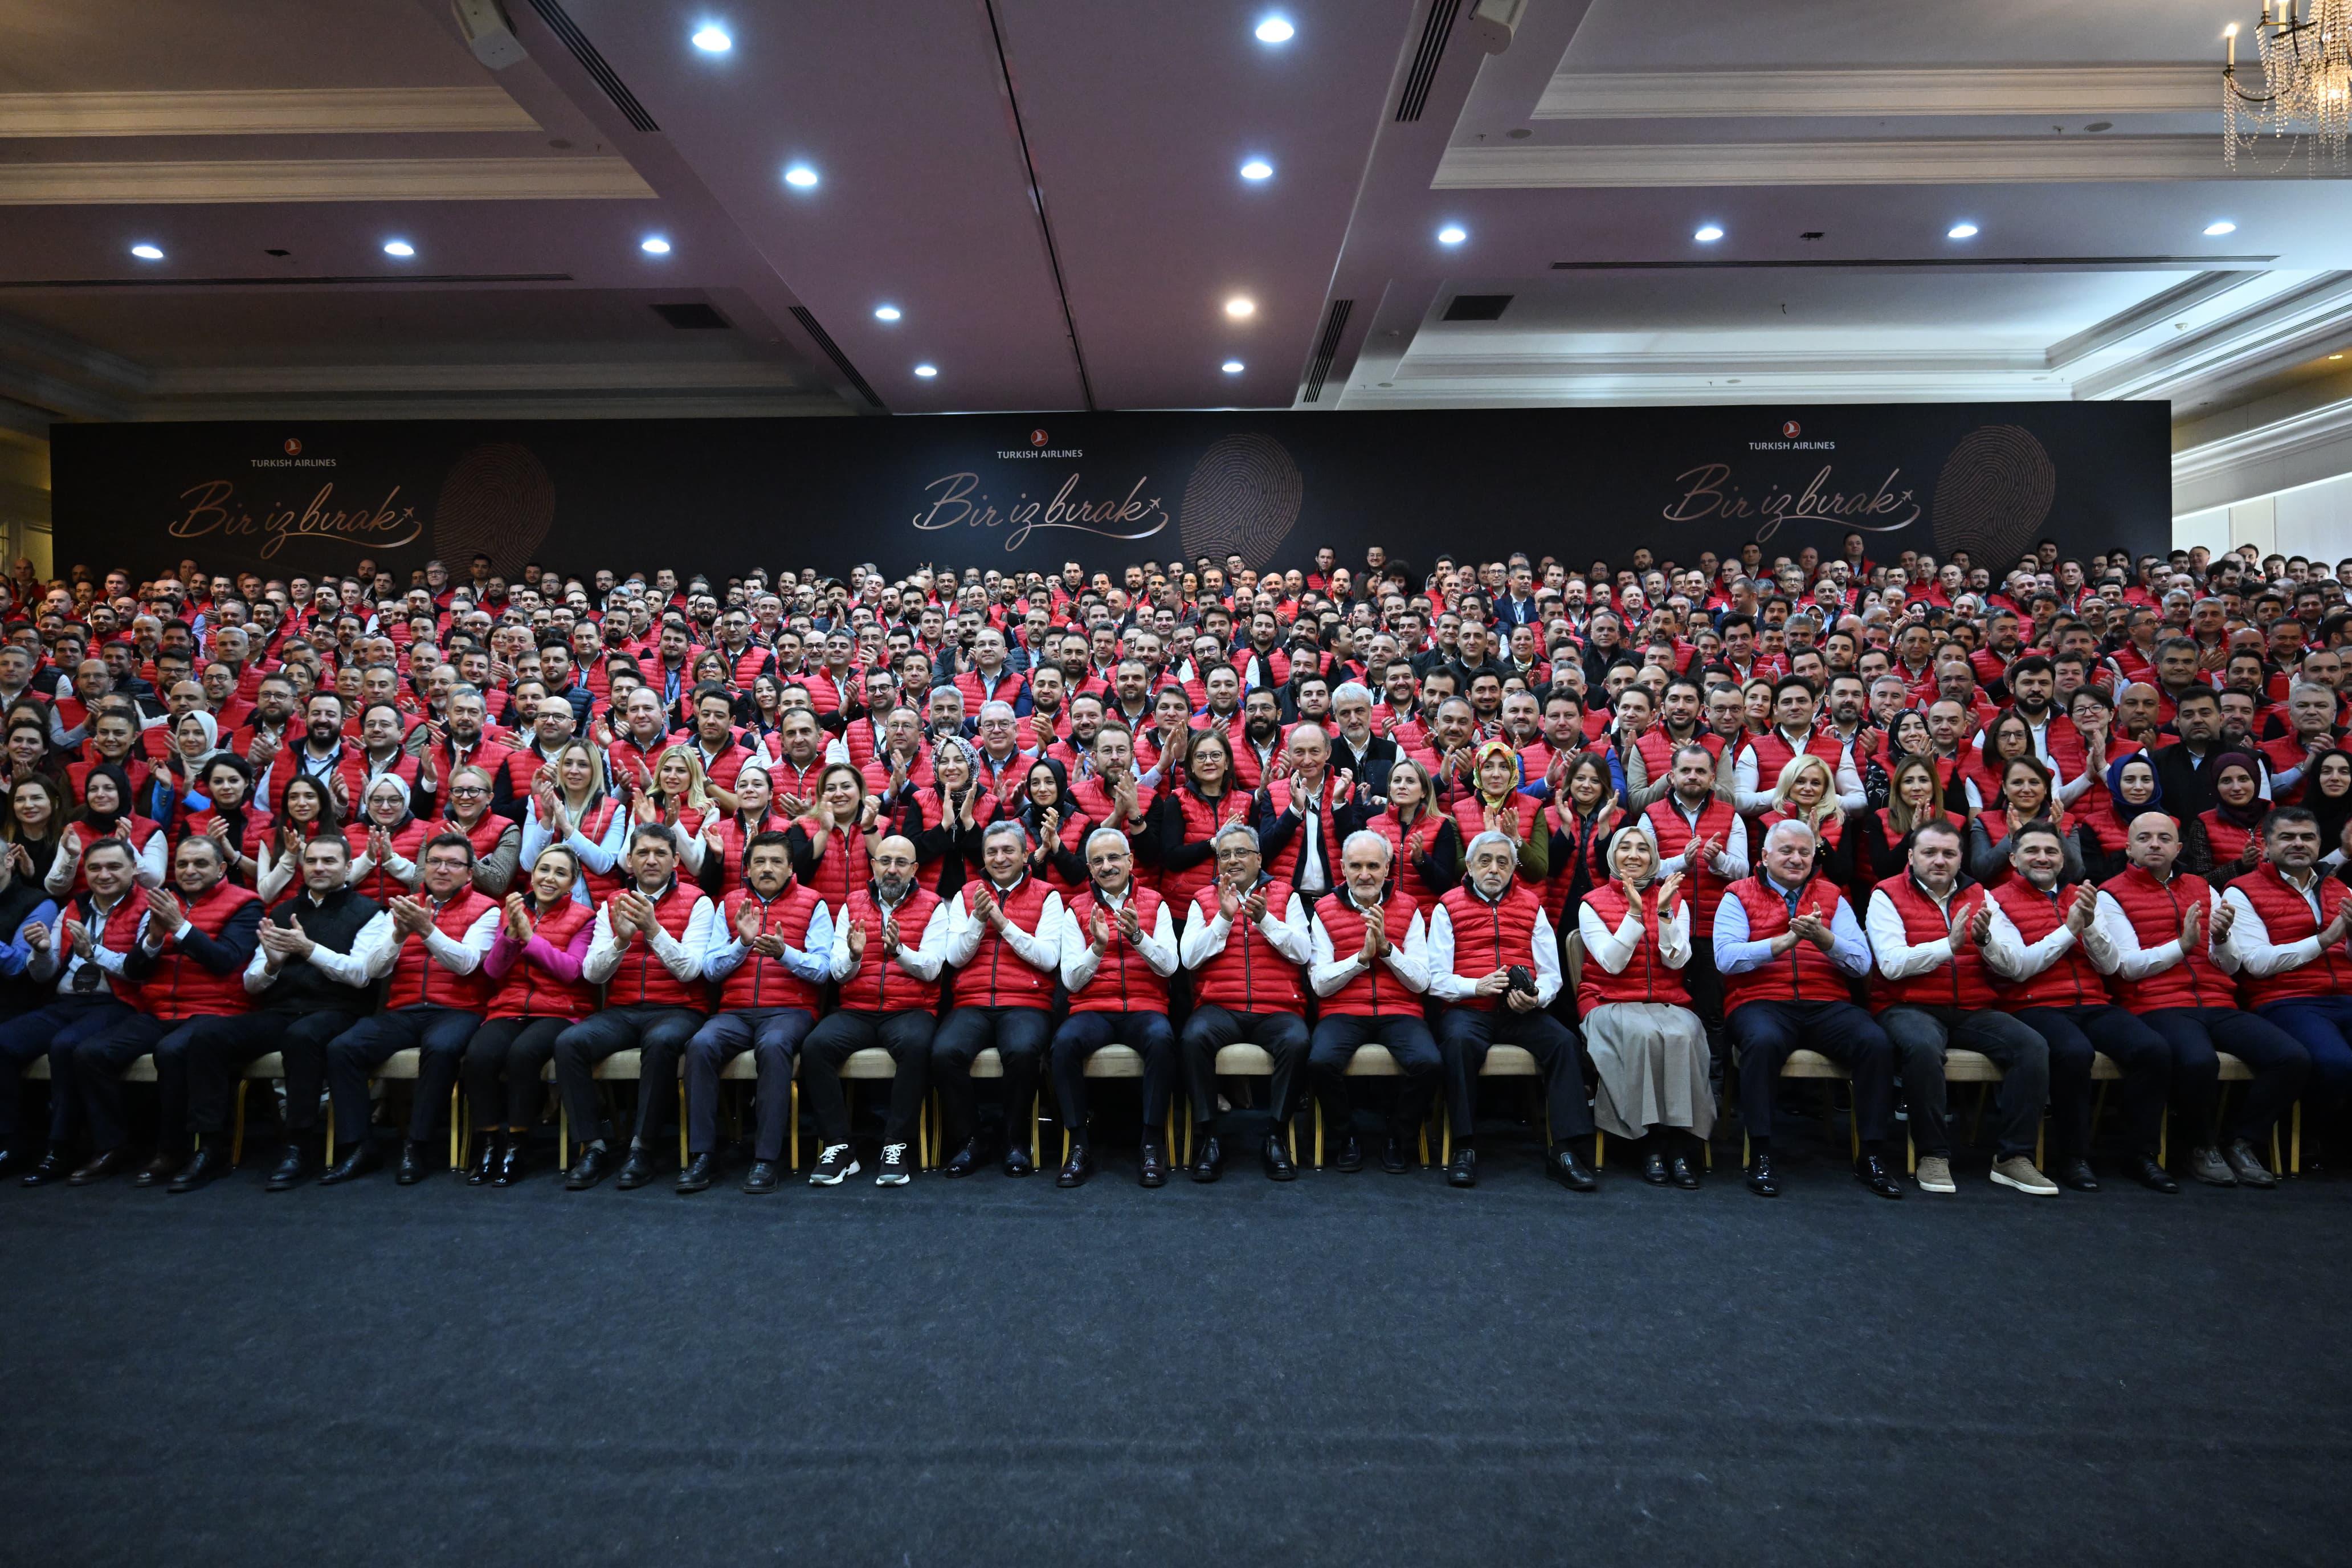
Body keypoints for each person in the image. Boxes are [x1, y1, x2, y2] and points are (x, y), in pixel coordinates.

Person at [2081, 812, 2308, 1187]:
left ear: (2178, 847)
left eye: (2165, 838)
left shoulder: (2204, 888)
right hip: (2155, 1003)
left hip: (2217, 999)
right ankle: (2199, 1146)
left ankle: (2241, 1141)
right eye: (2146, 838)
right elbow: (2126, 968)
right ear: (2129, 846)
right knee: (2198, 1061)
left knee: (2291, 1057)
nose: (2155, 844)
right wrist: (2183, 946)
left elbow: (2231, 964)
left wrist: (2221, 940)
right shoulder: (2110, 893)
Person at [182, 833, 394, 1190]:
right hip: (282, 1008)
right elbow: (252, 982)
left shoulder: (370, 911)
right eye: (311, 861)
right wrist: (273, 966)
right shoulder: (282, 912)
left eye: (329, 861)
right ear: (301, 866)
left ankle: (297, 1144)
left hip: (339, 1009)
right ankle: (209, 1146)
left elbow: (361, 975)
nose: (319, 868)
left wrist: (308, 949)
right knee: (207, 1036)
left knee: (303, 1037)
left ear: (348, 868)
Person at [1863, 818, 2057, 1196]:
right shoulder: (1885, 894)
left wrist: (1985, 942)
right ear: (1911, 856)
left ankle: (2013, 1157)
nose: (1940, 861)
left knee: (2031, 1045)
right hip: (1907, 1005)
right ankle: (1933, 1153)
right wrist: (1947, 947)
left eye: (1949, 854)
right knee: (1922, 1047)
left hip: (1971, 1005)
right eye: (1930, 852)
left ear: (1960, 858)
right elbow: (1890, 964)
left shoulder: (1980, 894)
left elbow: (2012, 966)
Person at [1982, 822, 2178, 1193]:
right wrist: (2069, 930)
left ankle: (2142, 1155)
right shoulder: (1995, 899)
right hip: (2032, 1004)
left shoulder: (2082, 895)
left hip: (2092, 1001)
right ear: (2013, 858)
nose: (2043, 857)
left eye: (2052, 851)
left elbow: (2108, 966)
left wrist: (2088, 927)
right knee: (2073, 1052)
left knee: (2153, 1050)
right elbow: (2019, 967)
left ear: (2062, 858)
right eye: (2032, 851)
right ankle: (2074, 1156)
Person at [1714, 819, 1905, 1199]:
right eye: (1786, 851)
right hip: (1761, 1001)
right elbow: (1726, 958)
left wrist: (1826, 940)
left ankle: (1871, 1154)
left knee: (1875, 1042)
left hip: (1826, 1002)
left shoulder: (1833, 895)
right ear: (1765, 856)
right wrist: (1782, 943)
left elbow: (1862, 963)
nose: (1797, 858)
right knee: (1764, 1042)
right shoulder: (1738, 893)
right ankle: (1763, 1153)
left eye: (1805, 851)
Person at [80, 836, 263, 1189]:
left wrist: (179, 928)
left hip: (217, 1011)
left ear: (221, 868)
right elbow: (136, 970)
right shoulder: (164, 900)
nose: (189, 871)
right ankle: (113, 1147)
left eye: (200, 864)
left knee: (173, 1052)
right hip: (160, 1009)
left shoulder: (246, 904)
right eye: (182, 864)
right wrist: (152, 939)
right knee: (92, 1053)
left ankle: (177, 1151)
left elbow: (226, 961)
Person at [318, 831, 499, 1185]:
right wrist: (400, 935)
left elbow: (467, 964)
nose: (442, 870)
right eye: (434, 862)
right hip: (404, 1008)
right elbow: (374, 970)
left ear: (469, 873)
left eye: (453, 864)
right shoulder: (403, 906)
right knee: (343, 1048)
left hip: (459, 1009)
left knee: (442, 1048)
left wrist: (426, 929)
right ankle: (359, 1146)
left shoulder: (487, 909)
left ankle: (416, 1145)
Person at [1421, 830, 1596, 1189]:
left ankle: (1564, 1151)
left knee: (1564, 1043)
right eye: (1484, 861)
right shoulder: (1447, 905)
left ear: (1515, 867)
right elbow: (1435, 978)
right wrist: (1476, 986)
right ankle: (1464, 1147)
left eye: (1503, 862)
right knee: (1457, 1043)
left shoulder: (1532, 905)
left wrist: (1537, 997)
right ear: (1469, 867)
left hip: (1522, 1009)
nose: (1494, 869)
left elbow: (1552, 974)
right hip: (1468, 1008)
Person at [556, 822, 714, 1191]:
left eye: (660, 853)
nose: (651, 860)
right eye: (643, 853)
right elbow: (593, 974)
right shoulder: (611, 903)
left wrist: (654, 929)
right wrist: (621, 942)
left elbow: (691, 971)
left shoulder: (698, 900)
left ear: (676, 860)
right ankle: (593, 1147)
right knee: (569, 1043)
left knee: (660, 1043)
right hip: (623, 1009)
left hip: (680, 1007)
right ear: (629, 860)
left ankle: (642, 1149)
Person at [681, 830, 831, 1193]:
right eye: (760, 862)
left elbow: (824, 969)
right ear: (746, 868)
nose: (768, 868)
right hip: (734, 1010)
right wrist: (741, 945)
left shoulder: (814, 902)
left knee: (775, 1046)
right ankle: (703, 1154)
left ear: (791, 867)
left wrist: (784, 953)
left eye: (777, 861)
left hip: (790, 1010)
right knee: (700, 1045)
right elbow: (711, 969)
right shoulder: (730, 902)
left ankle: (766, 1158)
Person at [0, 839, 157, 1183]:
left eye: (114, 867)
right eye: (95, 868)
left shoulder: (149, 907)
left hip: (119, 1003)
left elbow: (139, 970)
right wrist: (41, 952)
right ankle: (12, 1142)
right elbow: (44, 972)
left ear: (134, 870)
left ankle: (62, 1147)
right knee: (4, 1041)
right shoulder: (73, 906)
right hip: (66, 1001)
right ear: (84, 872)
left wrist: (92, 952)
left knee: (67, 1045)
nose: (104, 875)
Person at [803, 833, 947, 1187]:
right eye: (885, 861)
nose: (892, 870)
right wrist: (854, 955)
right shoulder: (852, 903)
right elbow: (838, 971)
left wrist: (899, 952)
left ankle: (895, 1144)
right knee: (815, 1047)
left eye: (901, 863)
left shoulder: (933, 905)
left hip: (910, 1008)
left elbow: (932, 968)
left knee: (916, 1047)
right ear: (873, 866)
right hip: (857, 1007)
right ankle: (839, 1147)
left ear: (915, 869)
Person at [1577, 826, 1712, 1186]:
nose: (1633, 855)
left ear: (1654, 858)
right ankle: (1649, 1144)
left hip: (1667, 1000)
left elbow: (1676, 962)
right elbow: (1612, 964)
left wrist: (1664, 913)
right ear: (1612, 856)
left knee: (1685, 1032)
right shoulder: (1592, 902)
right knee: (1643, 1034)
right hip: (1609, 1000)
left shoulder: (1676, 900)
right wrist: (1635, 916)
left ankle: (1680, 1144)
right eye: (1625, 848)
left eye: (1643, 849)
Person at [1177, 821, 1310, 1182]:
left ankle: (1275, 1135)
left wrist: (1265, 919)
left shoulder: (1286, 894)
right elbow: (1188, 958)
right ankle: (1209, 1137)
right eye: (1225, 855)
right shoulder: (1204, 899)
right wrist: (1223, 916)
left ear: (1259, 858)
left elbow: (1302, 953)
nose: (1233, 860)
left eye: (1241, 852)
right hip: (1220, 1006)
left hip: (1277, 1007)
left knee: (1297, 1040)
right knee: (1193, 1038)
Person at [1050, 826, 1181, 1187]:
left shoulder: (1155, 902)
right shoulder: (1076, 908)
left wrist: (1138, 938)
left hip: (1145, 1006)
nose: (1107, 866)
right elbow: (1071, 982)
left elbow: (1170, 967)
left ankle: (1152, 1142)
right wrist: (1097, 948)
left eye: (1114, 858)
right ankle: (1078, 1144)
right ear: (1090, 869)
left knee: (1162, 1039)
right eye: (1098, 861)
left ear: (1130, 860)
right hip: (1092, 1008)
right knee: (1063, 1044)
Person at [461, 843, 597, 1187]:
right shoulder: (512, 911)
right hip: (509, 1007)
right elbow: (493, 971)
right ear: (533, 874)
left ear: (573, 882)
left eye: (560, 873)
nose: (550, 878)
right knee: (478, 1055)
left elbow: (571, 971)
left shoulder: (584, 917)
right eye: (544, 870)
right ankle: (490, 1143)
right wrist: (510, 934)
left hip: (561, 1010)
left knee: (523, 1055)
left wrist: (530, 939)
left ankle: (517, 1146)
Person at [1305, 831, 1439, 1174]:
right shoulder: (1323, 910)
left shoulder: (1409, 908)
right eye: (1356, 866)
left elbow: (1422, 981)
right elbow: (1320, 985)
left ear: (1387, 868)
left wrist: (1388, 951)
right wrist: (1361, 959)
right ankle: (1347, 1135)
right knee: (1320, 1063)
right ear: (1342, 868)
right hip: (1342, 1012)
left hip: (1401, 1011)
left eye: (1373, 866)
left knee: (1430, 1063)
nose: (1365, 874)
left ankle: (1397, 1136)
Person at [2222, 806, 2352, 1159]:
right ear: (2265, 845)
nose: (2299, 844)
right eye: (2287, 837)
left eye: (2307, 837)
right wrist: (2324, 941)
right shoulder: (2240, 891)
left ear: (2319, 843)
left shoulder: (2340, 888)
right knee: (2336, 1062)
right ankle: (2310, 1134)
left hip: (2346, 994)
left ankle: (2330, 1136)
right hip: (2285, 999)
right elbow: (2257, 963)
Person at [934, 820, 1060, 1178]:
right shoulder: (966, 893)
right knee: (945, 1053)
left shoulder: (1047, 894)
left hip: (1026, 1001)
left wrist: (1004, 925)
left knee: (1021, 1053)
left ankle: (1014, 1140)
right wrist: (977, 920)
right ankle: (971, 1140)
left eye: (1008, 851)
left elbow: (1049, 959)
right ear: (983, 858)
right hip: (972, 1001)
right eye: (992, 852)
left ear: (1025, 855)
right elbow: (956, 958)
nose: (1000, 858)